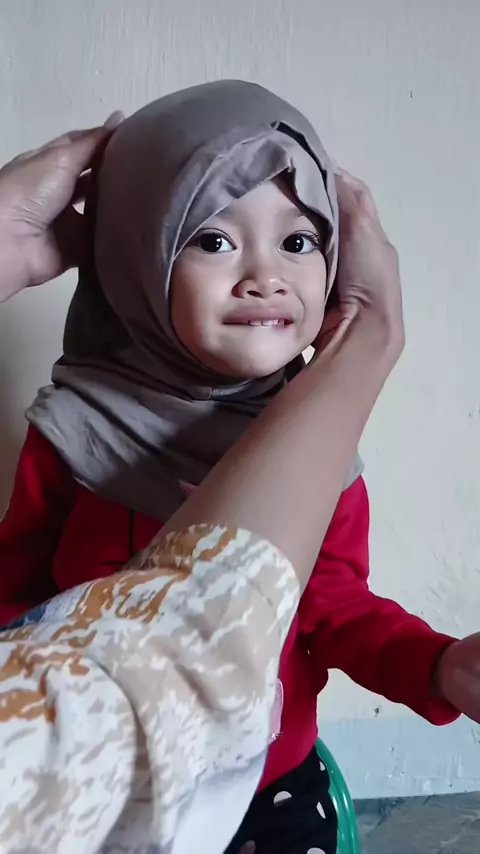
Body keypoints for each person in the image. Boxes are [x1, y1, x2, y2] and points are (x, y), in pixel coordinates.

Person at [0, 82, 478, 854]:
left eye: (299, 242)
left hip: (265, 785)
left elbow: (335, 608)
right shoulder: (73, 435)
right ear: (133, 256)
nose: (265, 277)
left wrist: (438, 664)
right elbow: (14, 592)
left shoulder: (318, 447)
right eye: (214, 241)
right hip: (93, 780)